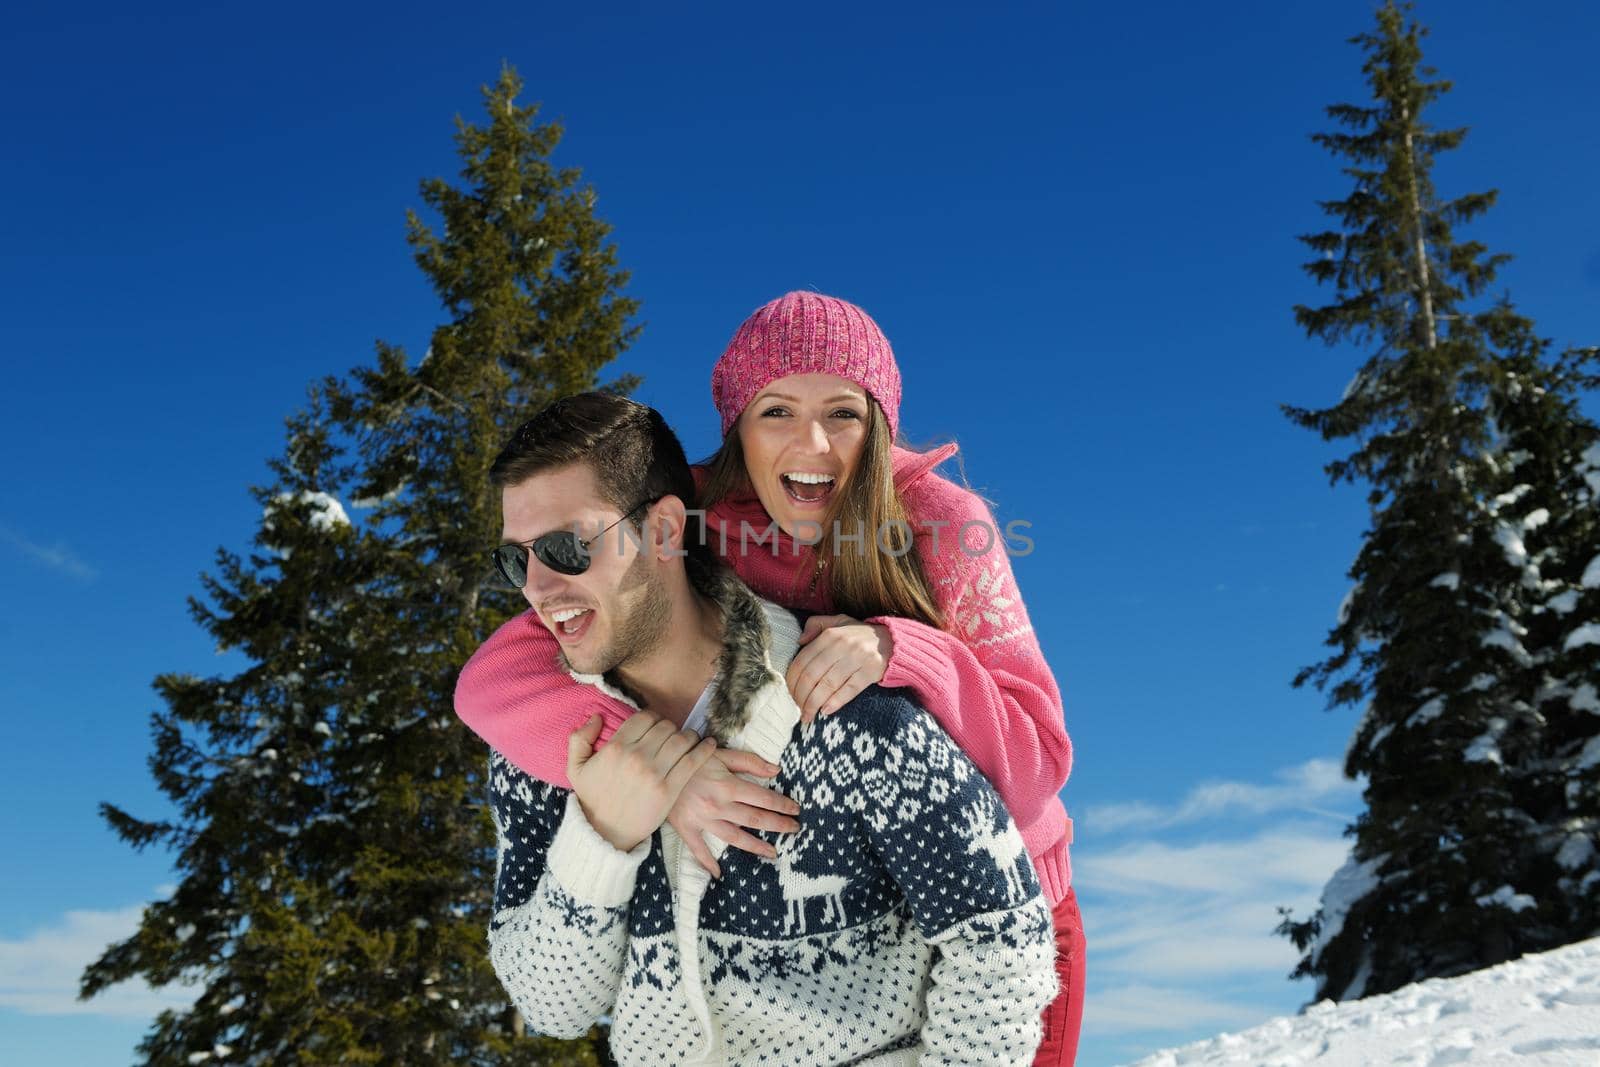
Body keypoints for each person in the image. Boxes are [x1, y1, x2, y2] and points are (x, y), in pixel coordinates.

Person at [459, 291, 1086, 1063]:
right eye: (777, 411)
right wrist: (660, 767)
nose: (813, 442)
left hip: (1014, 881)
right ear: (738, 434)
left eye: (845, 413)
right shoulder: (699, 523)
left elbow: (1035, 769)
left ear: (881, 425)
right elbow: (494, 676)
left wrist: (905, 651)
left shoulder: (942, 525)